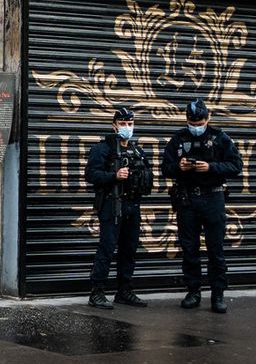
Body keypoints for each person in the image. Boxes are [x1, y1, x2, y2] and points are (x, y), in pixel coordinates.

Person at [161, 99, 242, 313]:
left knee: (216, 249)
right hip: (187, 200)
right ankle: (193, 291)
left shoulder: (219, 137)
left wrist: (211, 167)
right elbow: (165, 168)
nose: (196, 125)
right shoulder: (178, 139)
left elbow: (236, 165)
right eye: (192, 121)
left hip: (213, 198)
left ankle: (218, 294)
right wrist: (179, 167)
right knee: (190, 249)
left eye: (200, 121)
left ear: (208, 118)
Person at [83, 106, 154, 309]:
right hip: (112, 204)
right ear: (114, 125)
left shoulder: (137, 150)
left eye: (130, 124)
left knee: (129, 249)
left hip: (132, 205)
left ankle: (124, 290)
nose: (127, 128)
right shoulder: (102, 149)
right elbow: (91, 175)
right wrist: (113, 176)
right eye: (122, 124)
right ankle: (96, 292)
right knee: (107, 248)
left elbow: (146, 175)